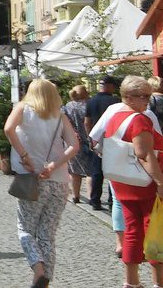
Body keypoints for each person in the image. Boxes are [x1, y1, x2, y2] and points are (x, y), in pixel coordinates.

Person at [4, 78, 79, 288]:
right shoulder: (59, 115)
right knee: (47, 234)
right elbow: (74, 146)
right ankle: (44, 283)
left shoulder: (23, 109)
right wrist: (53, 165)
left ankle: (38, 271)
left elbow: (8, 129)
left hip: (32, 179)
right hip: (59, 181)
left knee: (25, 228)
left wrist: (24, 155)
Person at [101, 75, 163, 288]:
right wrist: (161, 183)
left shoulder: (116, 117)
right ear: (128, 97)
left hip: (125, 182)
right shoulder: (139, 119)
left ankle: (132, 282)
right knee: (156, 231)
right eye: (143, 96)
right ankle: (159, 282)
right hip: (146, 184)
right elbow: (145, 154)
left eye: (149, 95)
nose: (148, 100)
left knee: (133, 230)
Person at [85, 75, 120, 211]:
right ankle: (112, 201)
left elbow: (87, 122)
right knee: (113, 171)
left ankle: (95, 201)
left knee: (97, 172)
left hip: (97, 140)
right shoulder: (115, 101)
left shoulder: (91, 101)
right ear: (110, 86)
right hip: (113, 140)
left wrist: (90, 138)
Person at [62, 85, 94, 203]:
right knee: (91, 171)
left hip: (73, 141)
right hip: (90, 140)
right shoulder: (90, 105)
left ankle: (76, 196)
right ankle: (91, 197)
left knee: (75, 172)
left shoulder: (67, 107)